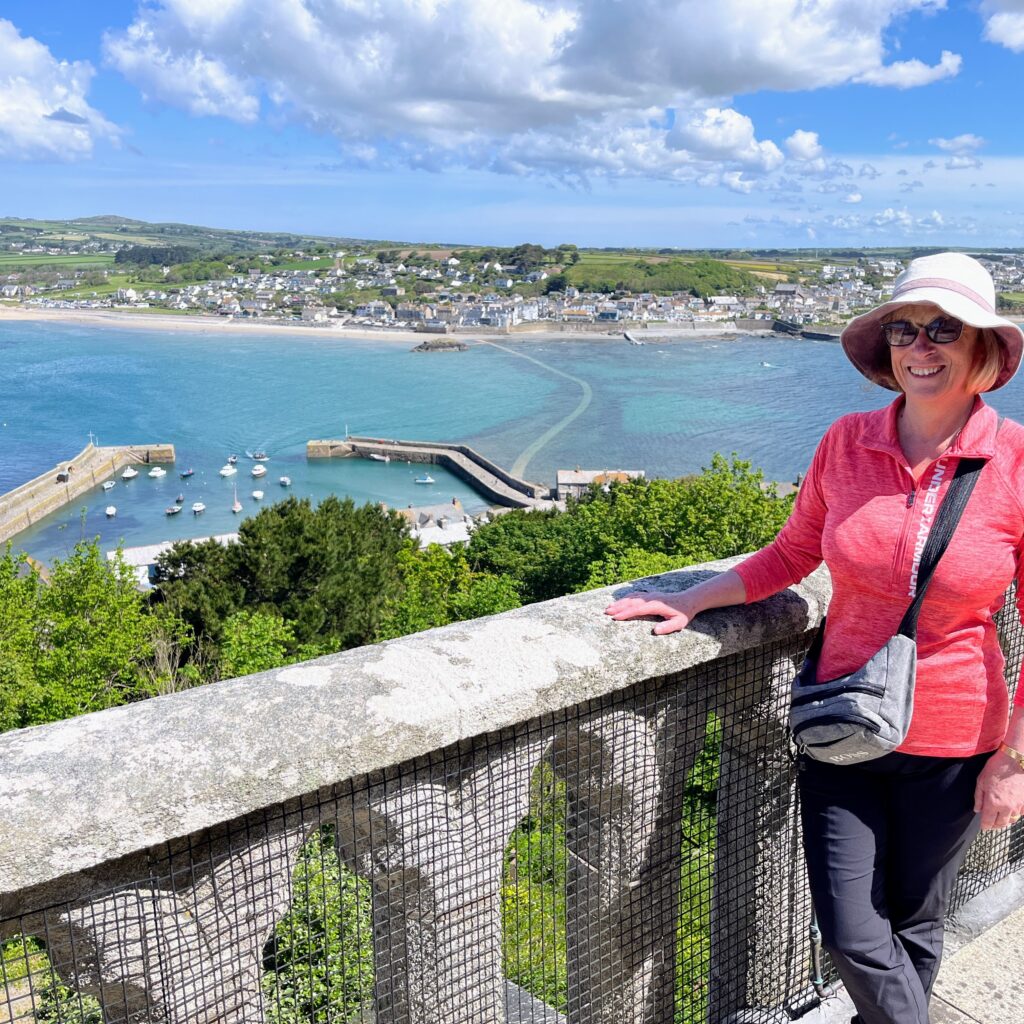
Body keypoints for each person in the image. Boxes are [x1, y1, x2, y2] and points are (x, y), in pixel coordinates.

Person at [604, 252, 1024, 1024]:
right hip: (843, 724)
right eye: (905, 329)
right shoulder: (846, 441)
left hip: (958, 739)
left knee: (914, 925)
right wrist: (696, 597)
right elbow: (793, 551)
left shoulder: (1017, 463)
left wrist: (1015, 761)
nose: (920, 346)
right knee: (855, 932)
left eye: (943, 329)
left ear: (984, 352)